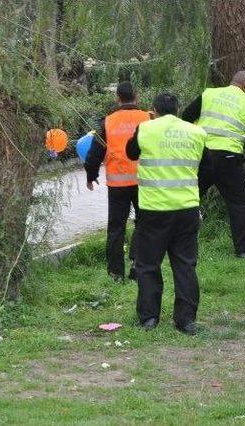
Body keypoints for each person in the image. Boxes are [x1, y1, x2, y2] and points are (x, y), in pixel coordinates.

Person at [126, 93, 207, 334]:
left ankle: (149, 317)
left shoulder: (146, 129)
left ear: (154, 110)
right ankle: (186, 320)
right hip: (186, 208)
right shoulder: (195, 132)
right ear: (178, 109)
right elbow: (206, 164)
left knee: (148, 264)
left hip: (154, 209)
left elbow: (131, 152)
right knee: (185, 264)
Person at [182, 70, 245, 258]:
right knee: (238, 204)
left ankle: (177, 241)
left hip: (202, 155)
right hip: (230, 159)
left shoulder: (209, 94)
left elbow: (186, 116)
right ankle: (243, 250)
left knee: (187, 198)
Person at [84, 81, 151, 281]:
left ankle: (115, 273)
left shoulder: (108, 121)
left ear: (118, 98)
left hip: (117, 184)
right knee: (144, 223)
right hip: (144, 182)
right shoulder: (148, 118)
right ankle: (138, 266)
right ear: (136, 96)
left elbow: (96, 151)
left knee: (116, 228)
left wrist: (91, 174)